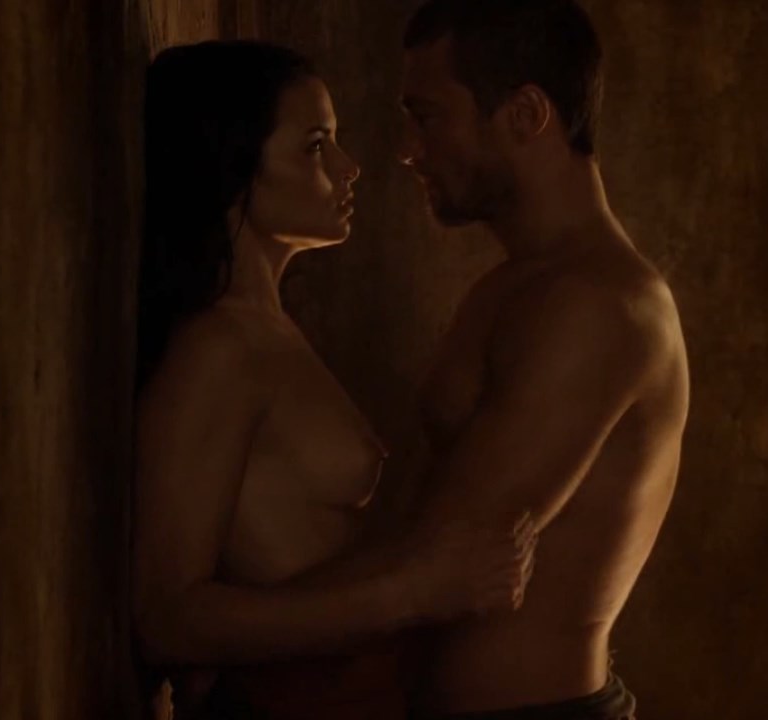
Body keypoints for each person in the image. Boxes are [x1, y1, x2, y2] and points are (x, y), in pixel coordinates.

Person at [132, 40, 536, 719]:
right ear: (235, 162)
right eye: (316, 147)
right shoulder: (217, 350)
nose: (349, 169)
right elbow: (165, 618)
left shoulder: (268, 333)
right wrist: (415, 589)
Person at [396, 1, 691, 717]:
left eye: (428, 117)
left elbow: (443, 557)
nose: (411, 150)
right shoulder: (514, 288)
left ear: (526, 114)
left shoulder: (599, 305)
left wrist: (227, 625)